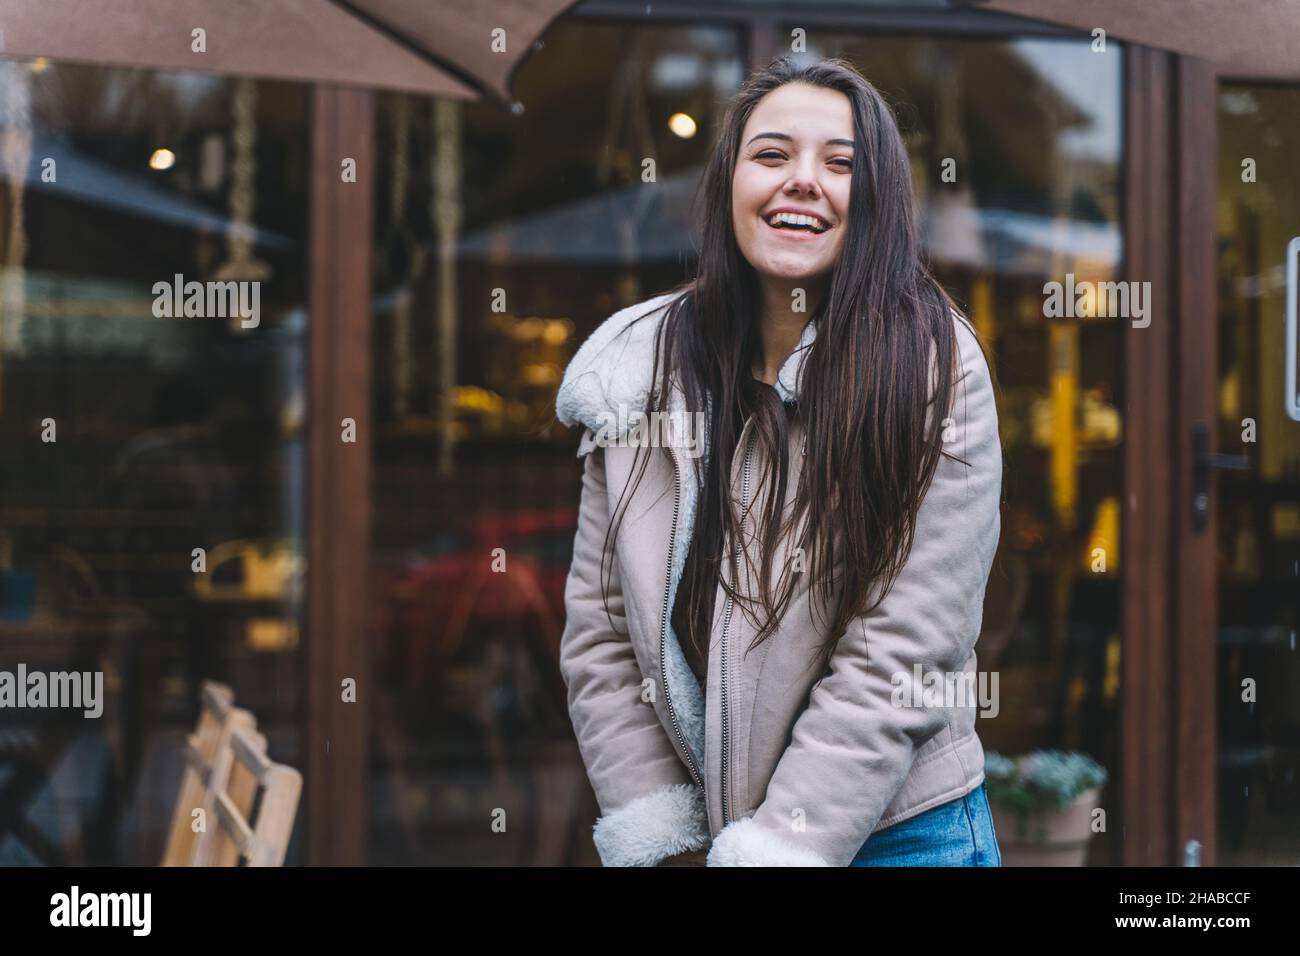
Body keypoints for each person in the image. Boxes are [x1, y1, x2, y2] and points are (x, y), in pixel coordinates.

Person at [555, 55, 1004, 867]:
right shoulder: (634, 369)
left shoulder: (934, 365)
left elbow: (906, 651)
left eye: (841, 164)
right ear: (728, 182)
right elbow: (602, 633)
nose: (803, 181)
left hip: (901, 835)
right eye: (771, 155)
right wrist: (665, 833)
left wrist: (776, 848)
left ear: (875, 202)